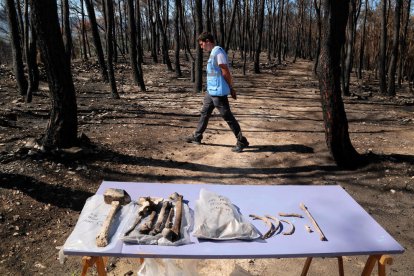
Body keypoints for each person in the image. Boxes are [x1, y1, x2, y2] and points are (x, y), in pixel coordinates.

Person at [186, 32, 249, 152]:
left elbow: (225, 71)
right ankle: (197, 136)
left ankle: (241, 140)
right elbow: (214, 74)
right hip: (211, 91)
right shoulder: (213, 54)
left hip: (218, 93)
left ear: (208, 41)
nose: (201, 47)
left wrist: (231, 88)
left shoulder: (218, 52)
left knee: (227, 116)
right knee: (204, 113)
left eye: (201, 44)